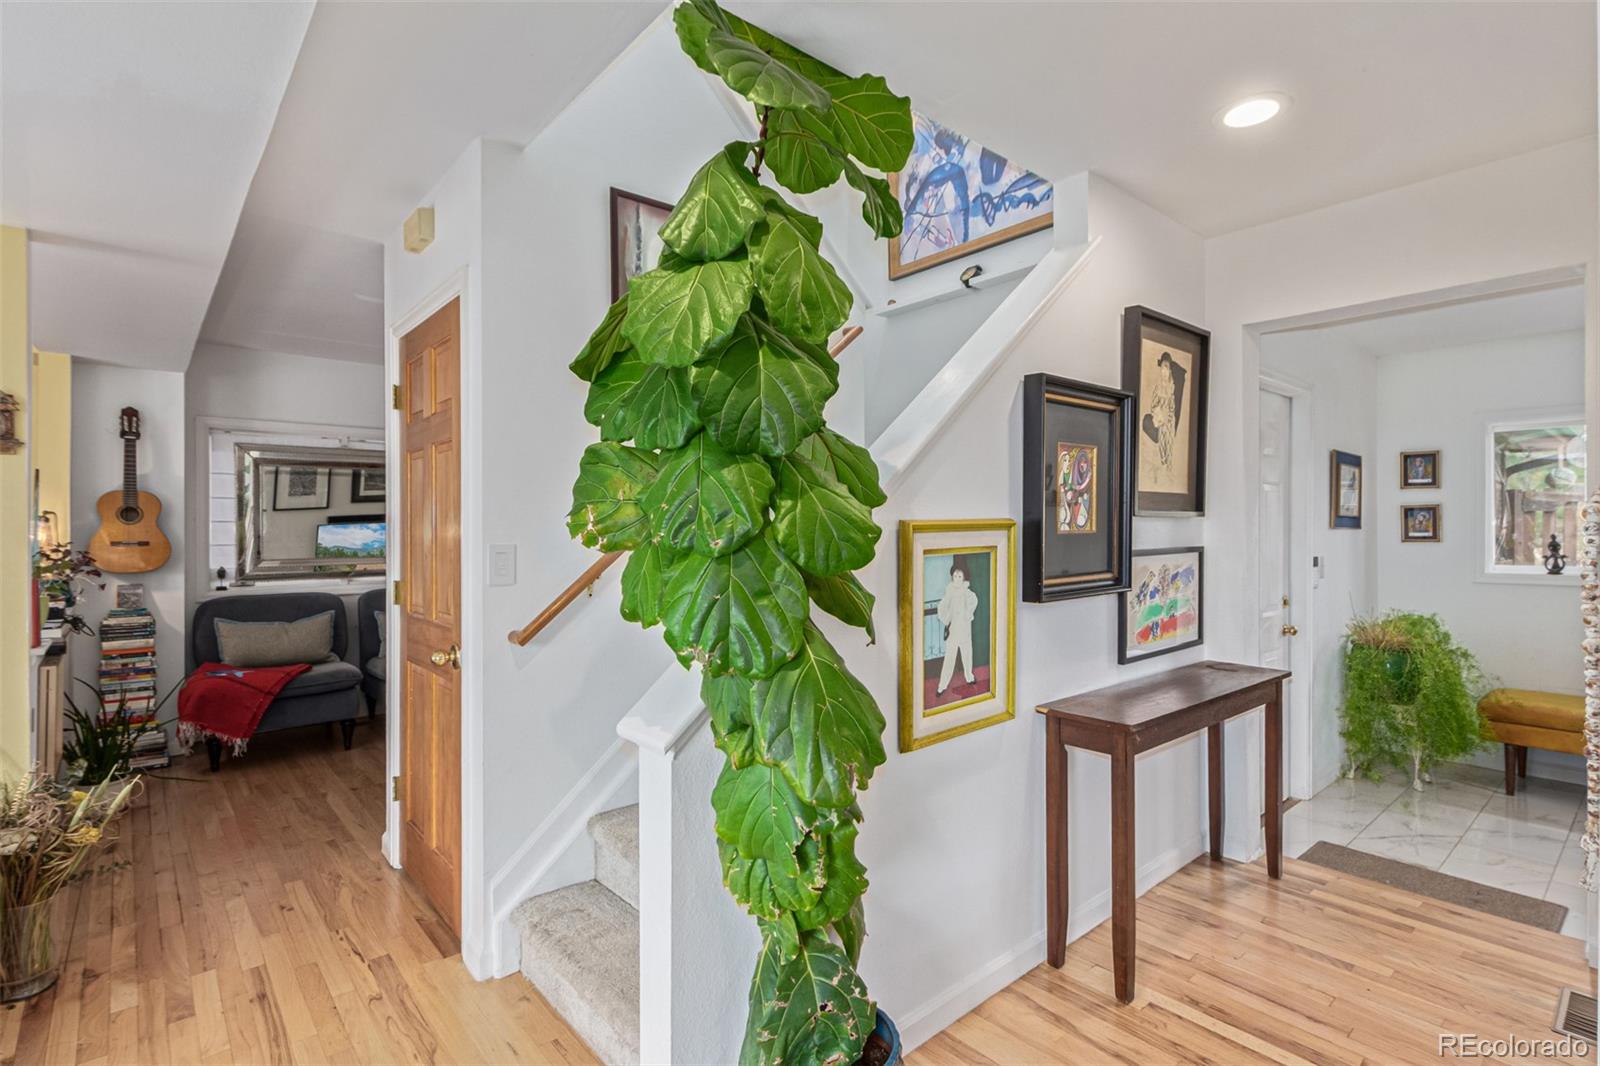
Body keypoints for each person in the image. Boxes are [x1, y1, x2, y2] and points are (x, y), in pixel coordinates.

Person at [935, 564, 979, 696]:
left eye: (960, 576)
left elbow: (973, 602)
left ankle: (969, 676)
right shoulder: (949, 591)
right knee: (949, 657)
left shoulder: (967, 592)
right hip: (953, 629)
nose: (957, 578)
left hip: (964, 628)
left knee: (967, 654)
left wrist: (966, 614)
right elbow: (942, 607)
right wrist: (946, 618)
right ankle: (942, 686)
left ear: (964, 577)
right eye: (955, 576)